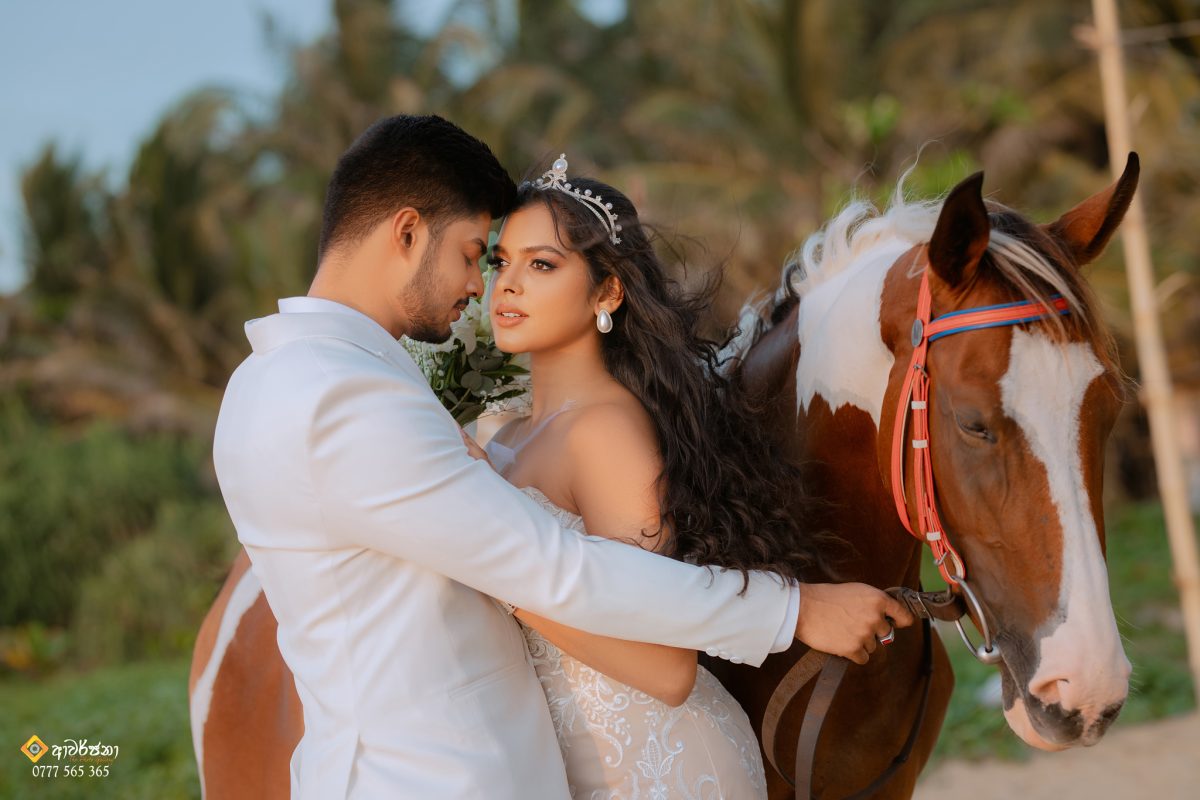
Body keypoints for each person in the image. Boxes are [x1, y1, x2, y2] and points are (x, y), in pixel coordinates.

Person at [212, 115, 912, 800]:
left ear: (606, 290)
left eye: (532, 263)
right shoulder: (345, 397)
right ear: (407, 233)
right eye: (477, 255)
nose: (482, 287)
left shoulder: (269, 381)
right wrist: (791, 611)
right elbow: (551, 568)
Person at [481, 155, 836, 797]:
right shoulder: (504, 435)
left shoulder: (603, 432)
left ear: (607, 293)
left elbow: (667, 668)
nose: (507, 284)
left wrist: (496, 577)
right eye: (500, 261)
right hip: (563, 765)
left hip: (661, 766)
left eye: (542, 265)